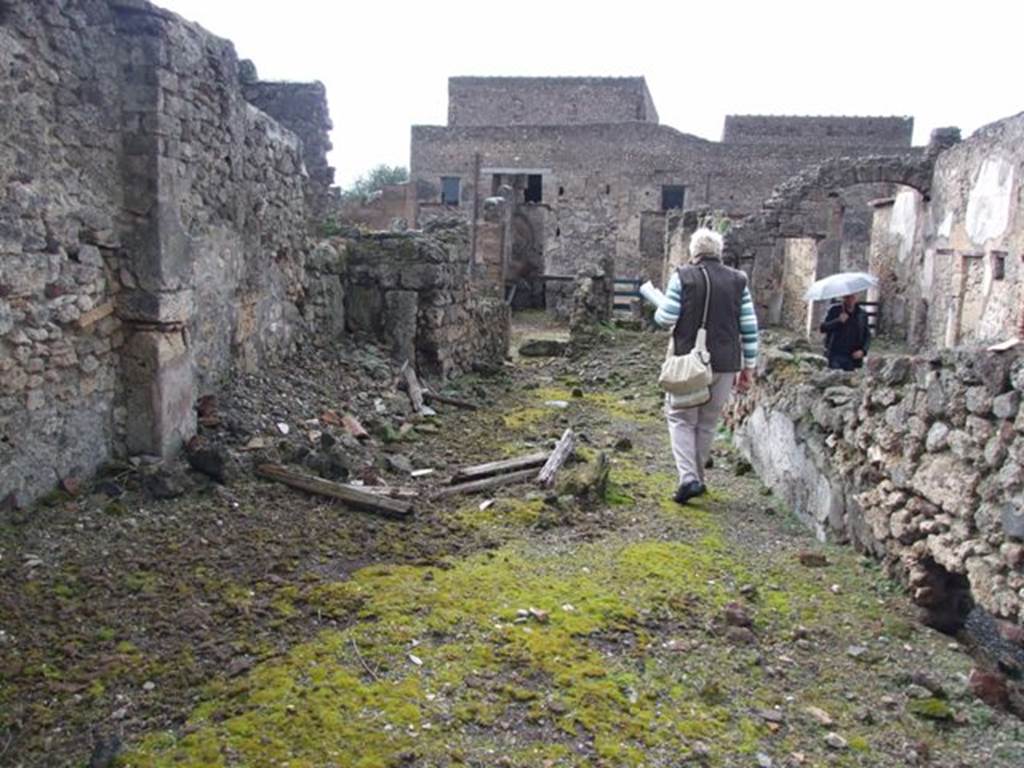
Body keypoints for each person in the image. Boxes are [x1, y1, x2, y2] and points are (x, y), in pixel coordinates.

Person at [655, 228, 759, 505]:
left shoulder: (684, 277)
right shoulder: (739, 281)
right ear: (718, 252)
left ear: (694, 252)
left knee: (680, 417)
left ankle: (688, 479)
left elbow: (665, 318)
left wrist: (658, 303)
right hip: (726, 364)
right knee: (707, 423)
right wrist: (749, 366)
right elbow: (749, 327)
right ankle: (697, 479)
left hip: (689, 362)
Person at [820, 293, 870, 370]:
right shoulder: (834, 310)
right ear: (843, 298)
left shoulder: (862, 314)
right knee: (835, 379)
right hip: (835, 355)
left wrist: (863, 351)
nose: (850, 300)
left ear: (856, 297)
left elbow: (867, 335)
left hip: (853, 356)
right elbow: (823, 328)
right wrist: (838, 321)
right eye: (847, 297)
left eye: (852, 297)